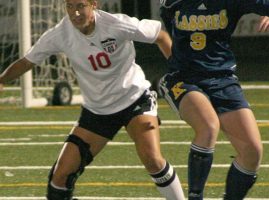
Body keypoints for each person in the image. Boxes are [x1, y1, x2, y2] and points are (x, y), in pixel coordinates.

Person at [0, 0, 186, 199]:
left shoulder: (116, 23)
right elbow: (27, 61)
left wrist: (180, 74)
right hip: (97, 111)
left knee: (153, 160)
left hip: (134, 99)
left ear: (94, 5)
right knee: (59, 179)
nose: (75, 12)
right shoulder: (60, 34)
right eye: (70, 6)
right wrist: (2, 80)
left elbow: (162, 37)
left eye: (81, 5)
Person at [158, 0, 269, 199]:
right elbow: (168, 29)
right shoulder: (173, 2)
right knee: (209, 127)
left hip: (223, 79)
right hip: (185, 78)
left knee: (252, 151)